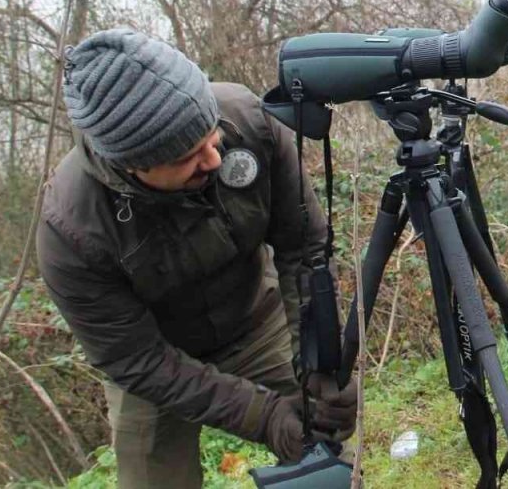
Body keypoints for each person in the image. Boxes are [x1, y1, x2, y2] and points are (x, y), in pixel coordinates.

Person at [36, 29, 358, 488]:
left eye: (211, 138)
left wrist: (320, 360)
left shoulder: (248, 121)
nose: (212, 159)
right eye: (189, 156)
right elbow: (136, 360)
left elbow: (303, 249)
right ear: (134, 166)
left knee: (328, 455)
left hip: (255, 319)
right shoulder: (72, 230)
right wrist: (264, 416)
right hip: (156, 363)